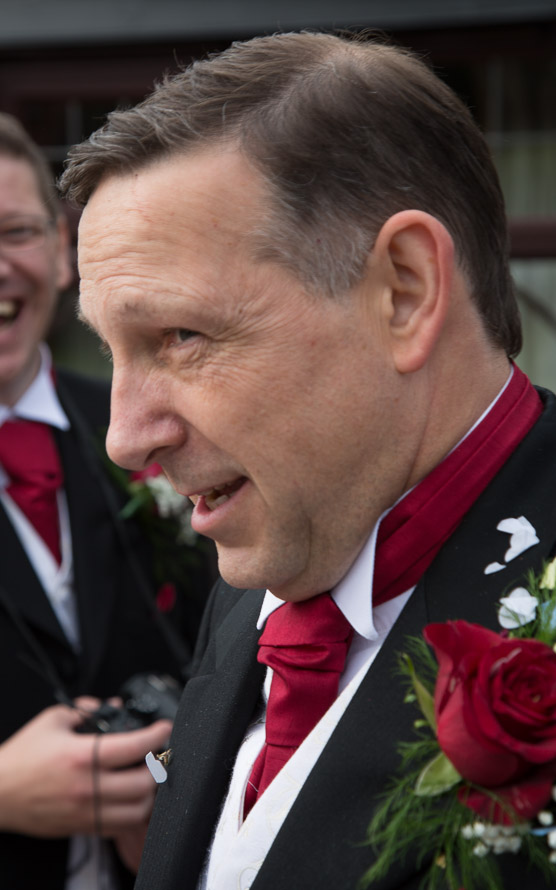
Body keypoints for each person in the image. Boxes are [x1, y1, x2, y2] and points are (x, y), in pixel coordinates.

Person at [60, 31, 556, 890]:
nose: (125, 437)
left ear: (405, 290)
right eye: (111, 352)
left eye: (181, 336)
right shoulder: (271, 556)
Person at [0, 113, 214, 890]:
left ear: (63, 252)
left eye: (17, 232)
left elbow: (226, 654)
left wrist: (165, 782)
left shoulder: (155, 428)